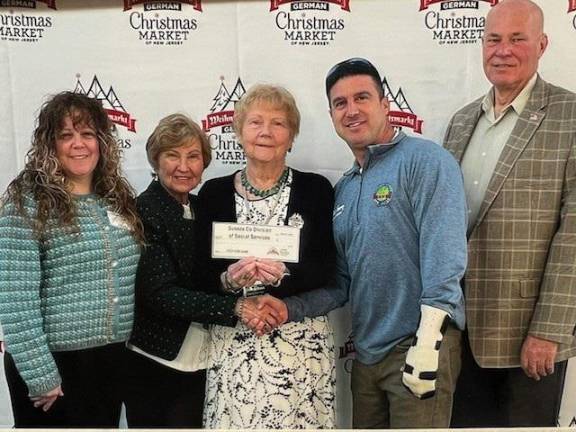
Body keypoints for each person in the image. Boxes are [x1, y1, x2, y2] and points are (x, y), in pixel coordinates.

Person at [270, 58, 468, 429]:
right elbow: (341, 282)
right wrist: (288, 308)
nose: (352, 110)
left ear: (384, 104)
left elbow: (446, 256)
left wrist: (428, 342)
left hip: (419, 347)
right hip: (366, 356)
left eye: (362, 97)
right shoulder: (345, 188)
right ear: (331, 115)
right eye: (340, 103)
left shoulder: (426, 161)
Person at [444, 0, 576, 427]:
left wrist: (550, 329)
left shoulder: (570, 116)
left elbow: (574, 232)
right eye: (493, 39)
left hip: (530, 336)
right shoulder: (462, 121)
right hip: (459, 331)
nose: (503, 50)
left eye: (517, 39)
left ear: (542, 44)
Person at [123, 113, 282, 428]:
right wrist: (235, 306)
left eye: (193, 156)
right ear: (156, 160)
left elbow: (208, 277)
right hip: (156, 360)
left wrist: (236, 279)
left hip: (203, 357)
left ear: (204, 163)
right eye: (173, 155)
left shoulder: (202, 207)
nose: (184, 166)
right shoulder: (143, 211)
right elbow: (161, 294)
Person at [0, 91, 143, 428]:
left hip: (109, 361)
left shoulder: (116, 198)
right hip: (54, 369)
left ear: (102, 142)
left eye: (88, 134)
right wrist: (40, 373)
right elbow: (15, 297)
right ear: (49, 145)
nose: (78, 144)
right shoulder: (26, 203)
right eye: (66, 135)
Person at [199, 84, 336, 429]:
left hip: (299, 344)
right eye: (255, 122)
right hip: (235, 343)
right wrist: (228, 280)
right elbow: (198, 273)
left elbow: (327, 268)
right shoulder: (213, 194)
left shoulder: (316, 190)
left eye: (278, 123)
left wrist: (284, 279)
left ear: (291, 136)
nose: (266, 132)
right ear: (239, 132)